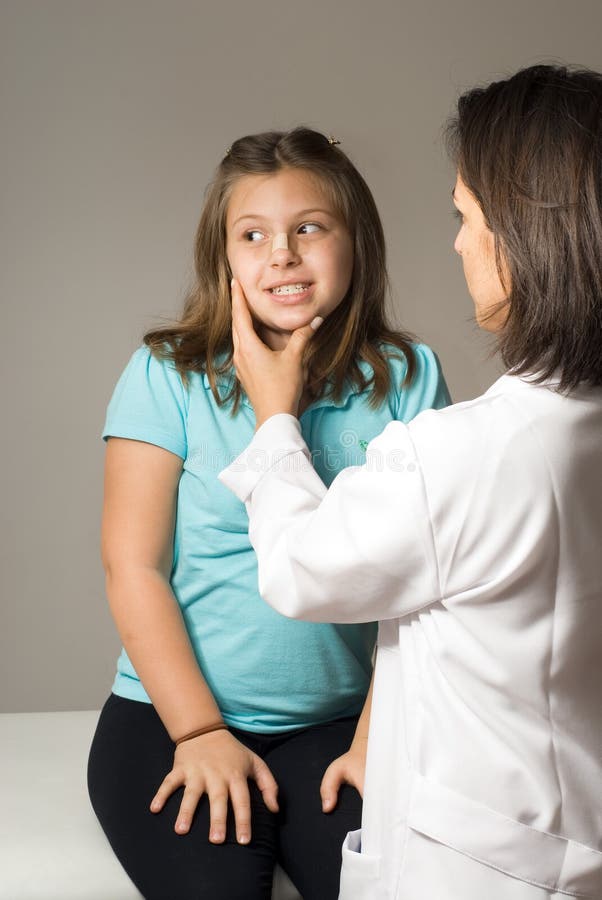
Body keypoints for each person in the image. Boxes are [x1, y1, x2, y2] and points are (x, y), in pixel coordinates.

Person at [219, 66, 602, 899]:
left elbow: (300, 567)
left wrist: (274, 418)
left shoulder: (458, 453)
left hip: (483, 868)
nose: (460, 243)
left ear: (531, 234)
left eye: (466, 218)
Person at [87, 127, 450, 900]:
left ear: (359, 243)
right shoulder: (166, 373)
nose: (280, 254)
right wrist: (199, 733)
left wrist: (375, 738)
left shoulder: (410, 377)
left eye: (309, 228)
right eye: (253, 235)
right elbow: (133, 567)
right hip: (173, 714)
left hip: (343, 724)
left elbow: (422, 586)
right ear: (224, 258)